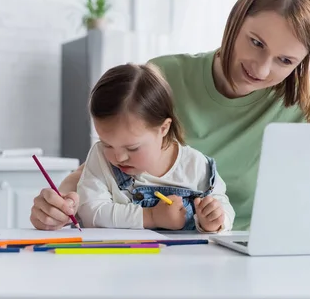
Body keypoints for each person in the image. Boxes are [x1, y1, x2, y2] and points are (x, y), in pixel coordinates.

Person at [30, 0, 310, 231]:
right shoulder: (164, 76)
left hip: (250, 256)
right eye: (256, 43)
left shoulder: (308, 111)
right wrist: (60, 201)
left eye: (284, 60)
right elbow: (108, 161)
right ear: (236, 21)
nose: (261, 68)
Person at [76, 62, 235, 232]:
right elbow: (90, 212)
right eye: (107, 143)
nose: (118, 157)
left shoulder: (196, 165)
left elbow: (224, 207)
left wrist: (214, 221)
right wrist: (151, 216)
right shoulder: (100, 157)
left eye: (132, 148)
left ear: (164, 128)